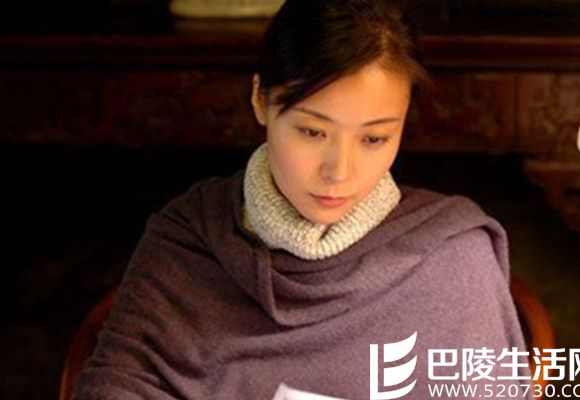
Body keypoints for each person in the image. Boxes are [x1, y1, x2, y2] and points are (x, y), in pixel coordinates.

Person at [72, 0, 534, 399]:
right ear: (260, 100)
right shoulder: (187, 239)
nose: (340, 172)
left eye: (374, 139)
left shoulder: (453, 259)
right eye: (312, 132)